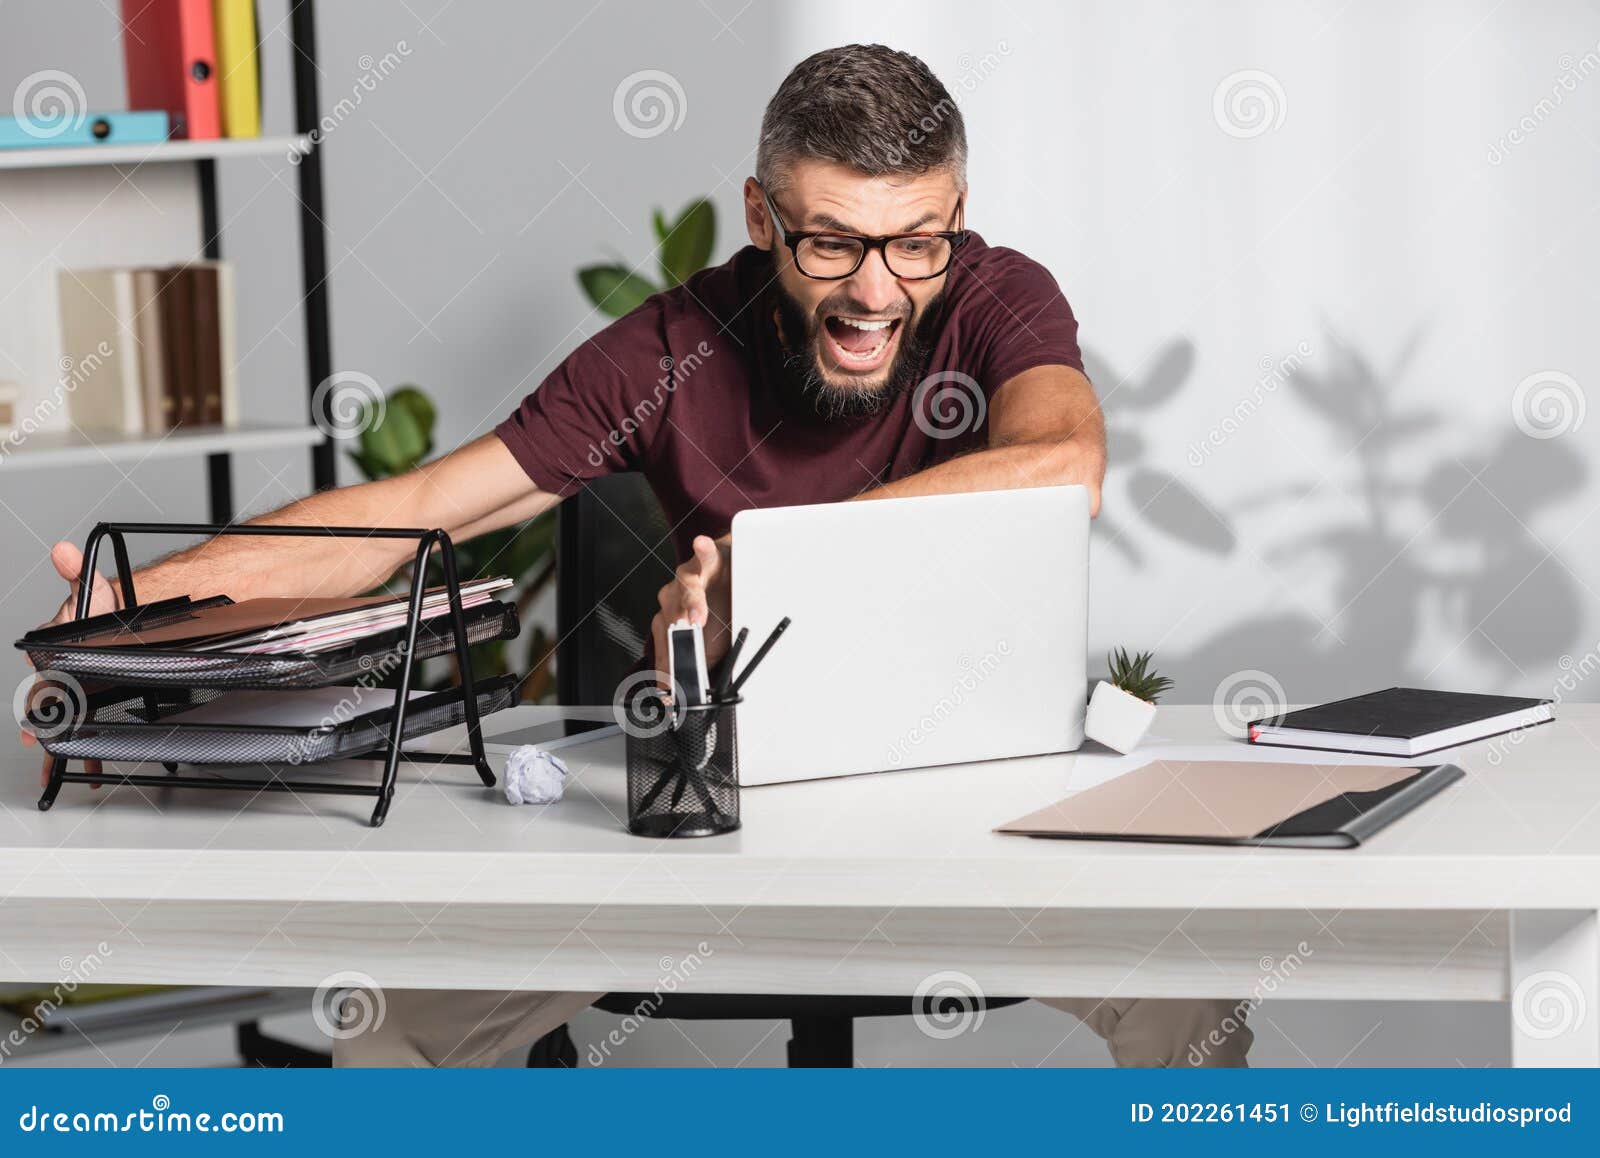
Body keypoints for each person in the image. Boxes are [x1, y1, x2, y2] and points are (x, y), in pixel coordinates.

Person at [28, 44, 1250, 1068]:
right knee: (392, 1029)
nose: (877, 290)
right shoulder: (671, 347)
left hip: (974, 788)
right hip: (722, 798)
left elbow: (1063, 466)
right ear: (761, 215)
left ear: (953, 223)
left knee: (1195, 1002)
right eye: (831, 243)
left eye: (915, 242)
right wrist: (141, 609)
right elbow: (424, 510)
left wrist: (770, 568)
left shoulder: (996, 296)